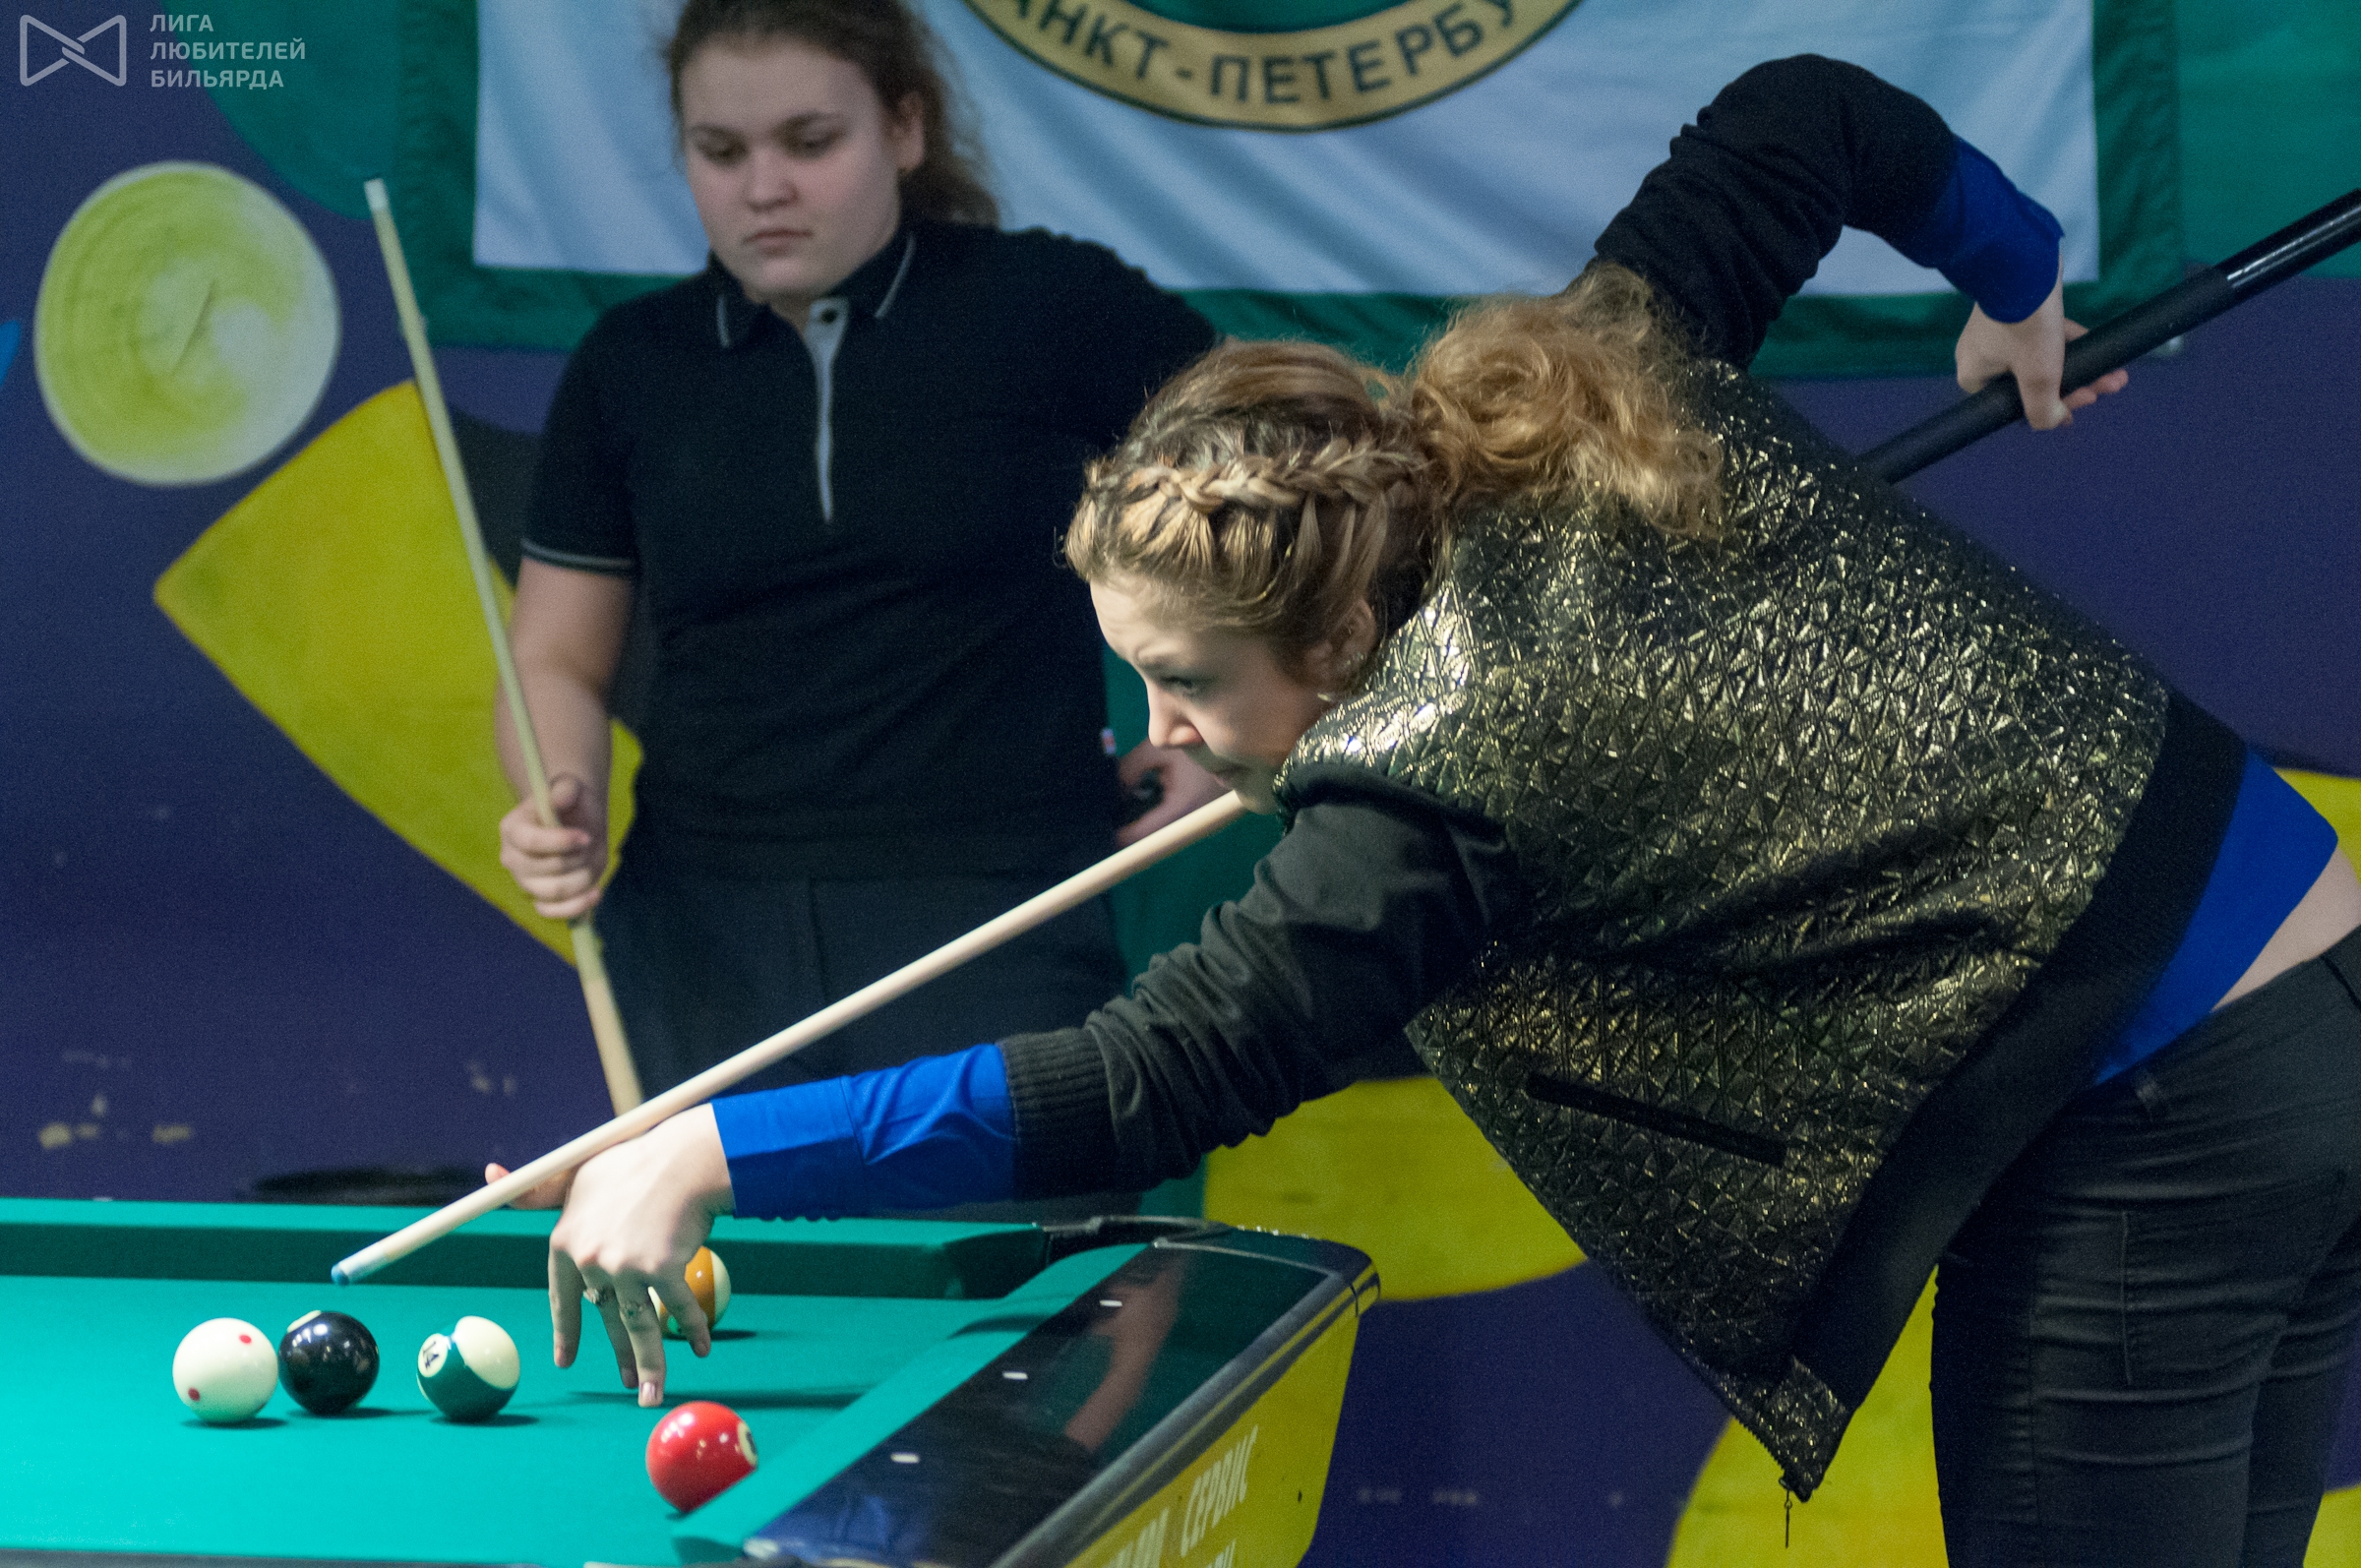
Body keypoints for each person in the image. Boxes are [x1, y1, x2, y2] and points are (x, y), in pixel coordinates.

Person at [499, 55, 2361, 1565]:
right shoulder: (1580, 377)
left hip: (2155, 1110)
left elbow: (1154, 1075)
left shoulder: (1429, 790)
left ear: (1333, 635)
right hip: (2310, 978)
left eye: (1192, 684)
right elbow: (1801, 115)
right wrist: (2015, 281)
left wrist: (716, 1148)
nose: (1165, 730)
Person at [494, 0, 1225, 1101]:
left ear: (905, 130)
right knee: (709, 1227)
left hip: (999, 915)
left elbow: (1291, 497)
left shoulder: (1050, 306)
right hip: (702, 935)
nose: (764, 187)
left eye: (810, 142)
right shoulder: (631, 363)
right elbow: (554, 657)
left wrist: (1217, 730)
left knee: (1010, 1220)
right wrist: (562, 793)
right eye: (721, 151)